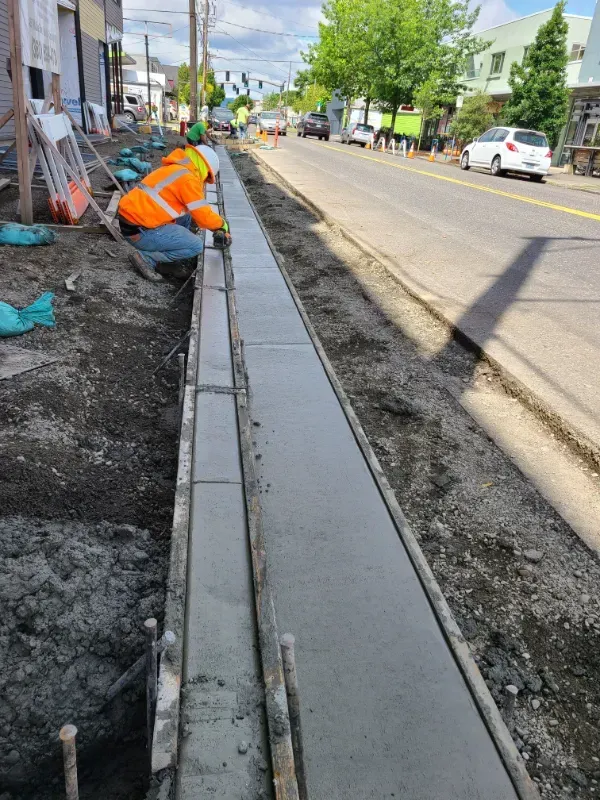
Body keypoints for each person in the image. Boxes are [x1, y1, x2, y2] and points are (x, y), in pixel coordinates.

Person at [118, 144, 231, 282]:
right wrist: (221, 224)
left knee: (187, 214)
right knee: (196, 245)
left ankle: (174, 250)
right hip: (140, 232)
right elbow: (203, 215)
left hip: (134, 221)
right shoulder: (188, 179)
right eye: (207, 177)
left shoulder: (176, 169)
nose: (205, 181)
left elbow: (195, 211)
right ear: (204, 168)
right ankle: (147, 259)